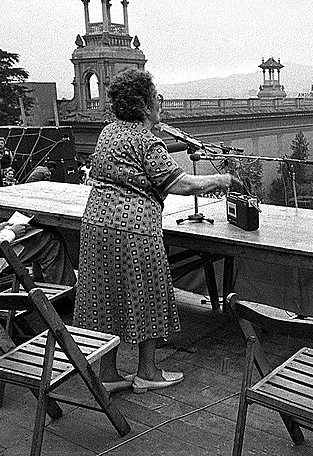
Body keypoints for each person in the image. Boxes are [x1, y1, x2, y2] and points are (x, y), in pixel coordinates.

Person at [73, 69, 242, 394]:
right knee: (146, 295)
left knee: (105, 297)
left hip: (96, 224)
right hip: (133, 229)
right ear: (145, 103)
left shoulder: (108, 131)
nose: (159, 102)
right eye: (155, 97)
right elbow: (179, 183)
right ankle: (147, 373)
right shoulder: (146, 140)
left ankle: (107, 374)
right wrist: (223, 180)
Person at [0, 148, 76, 285]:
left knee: (41, 234)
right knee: (50, 240)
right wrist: (11, 232)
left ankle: (44, 284)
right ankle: (65, 296)